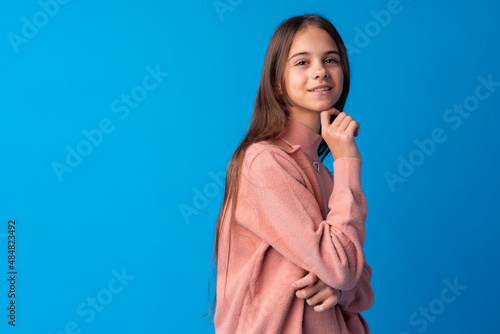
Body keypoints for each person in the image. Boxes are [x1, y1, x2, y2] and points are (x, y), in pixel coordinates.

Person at [209, 14, 374, 333]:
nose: (320, 71)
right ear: (277, 84)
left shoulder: (326, 175)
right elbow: (341, 267)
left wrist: (340, 291)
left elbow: (362, 283)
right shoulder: (265, 162)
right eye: (302, 62)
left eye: (330, 59)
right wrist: (348, 162)